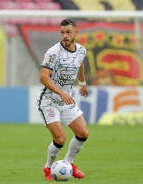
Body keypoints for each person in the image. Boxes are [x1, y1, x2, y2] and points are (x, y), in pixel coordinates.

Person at [37, 19, 89, 180]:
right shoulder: (53, 52)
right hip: (49, 100)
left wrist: (83, 83)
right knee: (60, 139)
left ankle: (68, 164)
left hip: (65, 100)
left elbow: (79, 64)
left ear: (75, 33)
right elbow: (44, 78)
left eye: (68, 32)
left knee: (83, 133)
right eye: (62, 32)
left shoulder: (81, 50)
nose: (65, 36)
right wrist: (62, 93)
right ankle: (48, 167)